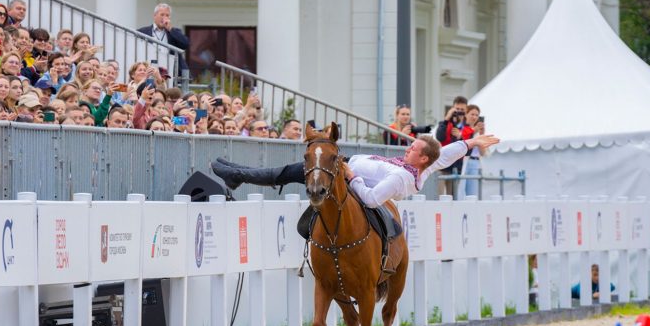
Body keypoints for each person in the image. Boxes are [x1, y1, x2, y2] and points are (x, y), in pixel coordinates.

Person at [211, 125, 500, 208]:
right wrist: (472, 142)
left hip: (347, 179)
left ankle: (237, 175)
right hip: (347, 165)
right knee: (296, 164)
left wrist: (351, 175)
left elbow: (374, 200)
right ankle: (237, 172)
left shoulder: (402, 177)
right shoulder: (424, 165)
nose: (408, 147)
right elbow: (445, 154)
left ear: (422, 158)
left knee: (290, 171)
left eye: (414, 148)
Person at [435, 96, 473, 196]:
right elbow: (439, 137)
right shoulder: (446, 123)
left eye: (462, 110)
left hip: (456, 167)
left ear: (466, 111)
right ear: (452, 108)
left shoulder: (468, 128)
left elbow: (469, 151)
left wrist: (460, 137)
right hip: (441, 165)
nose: (459, 112)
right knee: (437, 196)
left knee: (452, 198)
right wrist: (446, 119)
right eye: (457, 109)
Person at [136, 3, 188, 71]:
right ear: (154, 15)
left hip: (169, 71)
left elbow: (185, 44)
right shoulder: (142, 32)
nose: (164, 18)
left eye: (167, 15)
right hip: (149, 69)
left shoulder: (174, 32)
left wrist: (170, 29)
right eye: (162, 14)